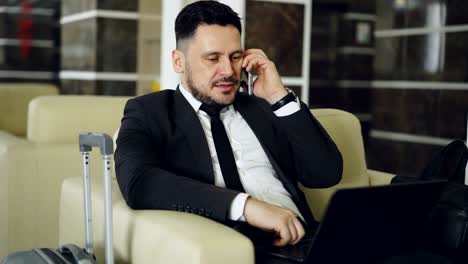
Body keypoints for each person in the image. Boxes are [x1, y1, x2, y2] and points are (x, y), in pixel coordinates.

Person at [115, 1, 342, 263]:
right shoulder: (149, 111)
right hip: (233, 252)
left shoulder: (262, 108)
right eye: (213, 58)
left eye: (235, 57)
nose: (228, 71)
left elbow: (326, 173)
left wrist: (279, 97)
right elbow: (140, 182)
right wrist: (246, 206)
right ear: (179, 61)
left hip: (306, 244)